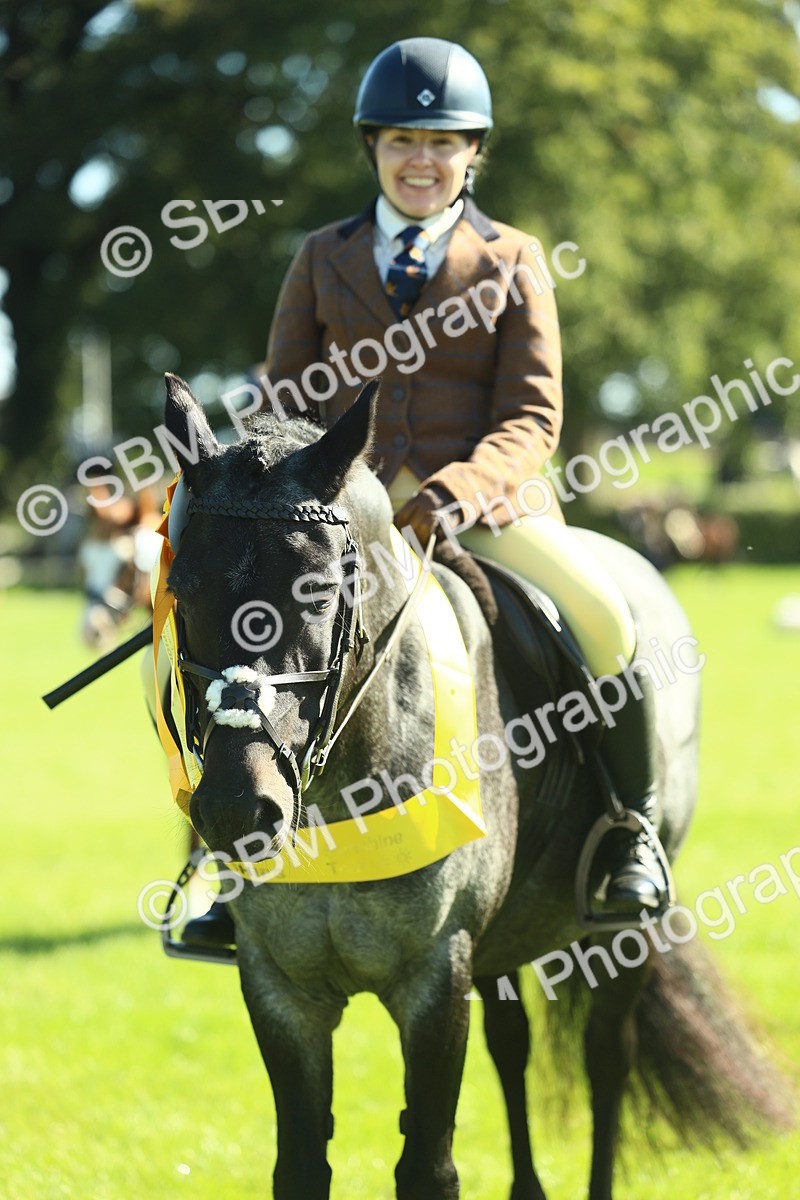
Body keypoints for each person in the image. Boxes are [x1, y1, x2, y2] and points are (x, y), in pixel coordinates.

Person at [181, 36, 668, 946]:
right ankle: (223, 863)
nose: (421, 159)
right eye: (403, 140)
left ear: (471, 153)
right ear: (373, 146)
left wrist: (458, 489)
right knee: (230, 642)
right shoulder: (320, 257)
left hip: (482, 509)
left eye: (442, 143)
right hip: (341, 519)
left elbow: (533, 415)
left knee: (604, 619)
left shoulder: (514, 258)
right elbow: (285, 404)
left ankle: (626, 834)